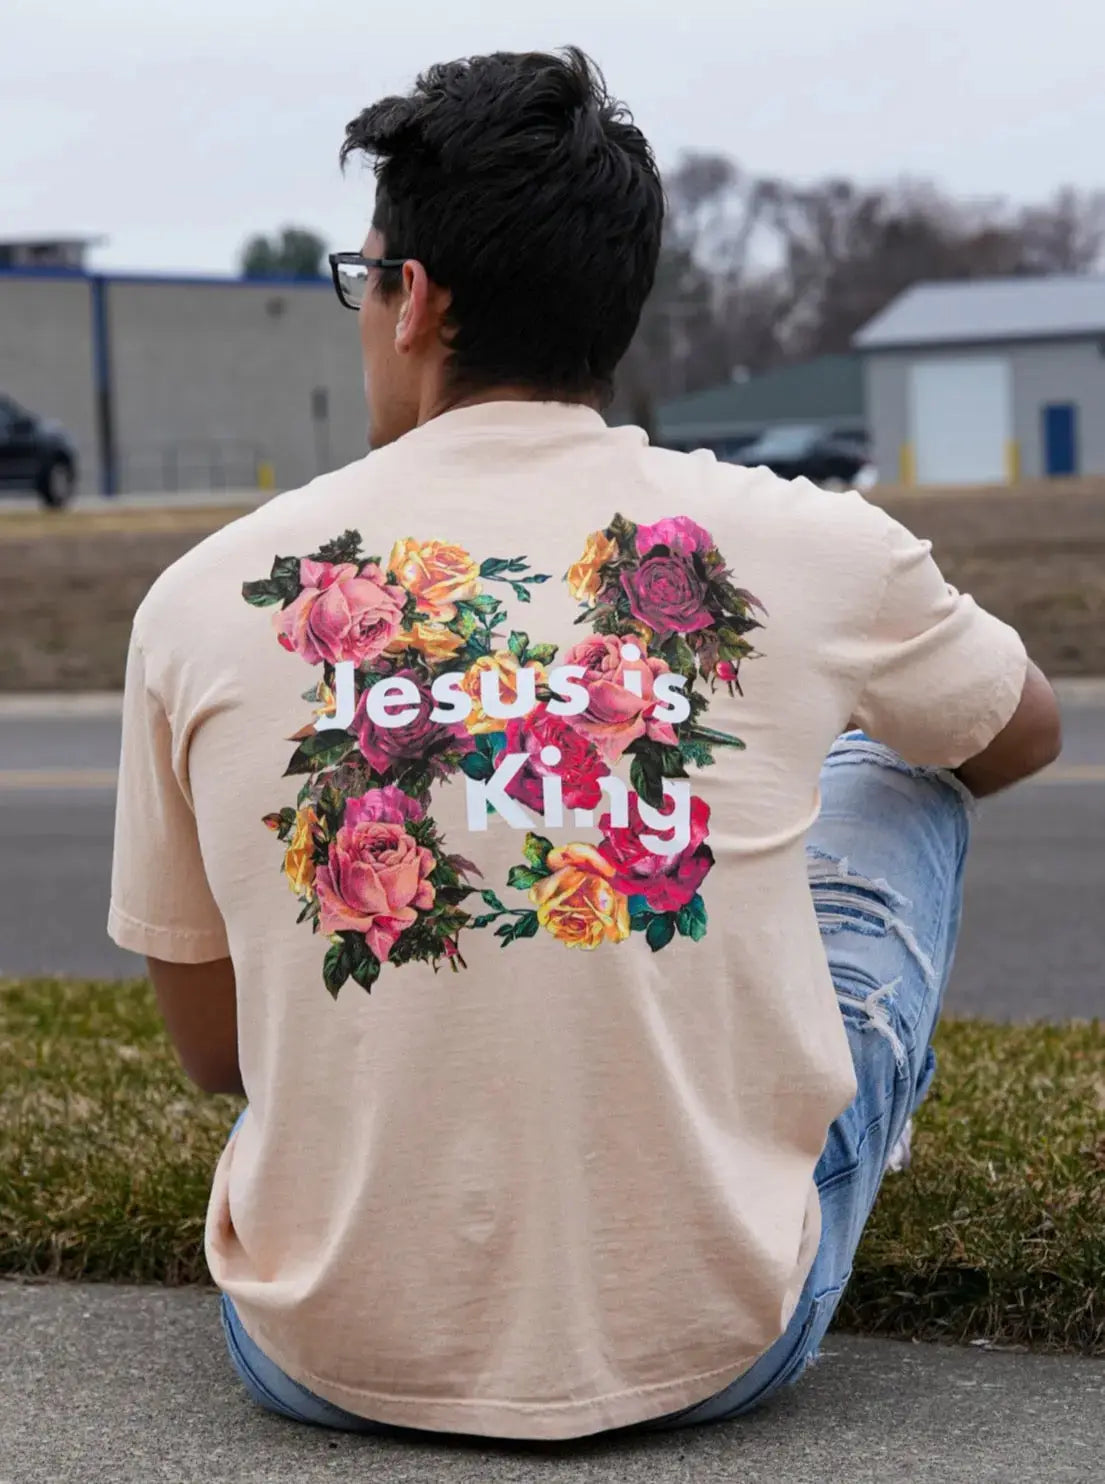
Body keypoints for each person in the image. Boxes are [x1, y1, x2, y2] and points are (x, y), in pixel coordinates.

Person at [108, 47, 1061, 1442]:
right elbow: (1017, 729)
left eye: (360, 280)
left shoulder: (204, 596)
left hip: (319, 1348)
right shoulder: (810, 541)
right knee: (900, 768)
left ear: (413, 298)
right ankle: (771, 1122)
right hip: (718, 1342)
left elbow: (216, 1057)